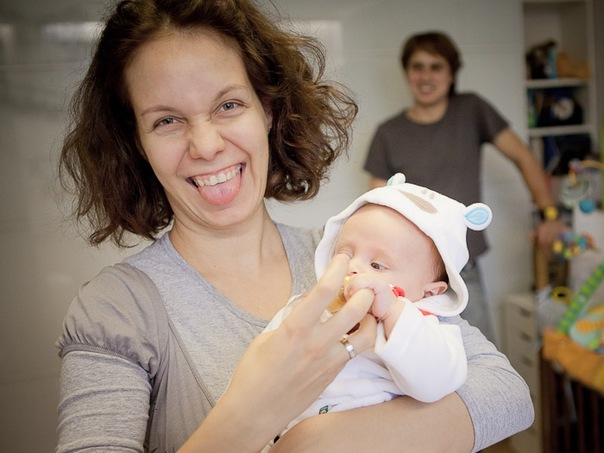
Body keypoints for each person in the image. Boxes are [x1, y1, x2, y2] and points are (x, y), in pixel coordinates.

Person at [55, 2, 533, 452]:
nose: (205, 145)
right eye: (166, 120)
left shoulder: (350, 257)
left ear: (267, 109)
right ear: (137, 142)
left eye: (228, 105)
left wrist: (312, 441)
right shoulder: (116, 309)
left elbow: (506, 395)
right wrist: (250, 413)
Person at [262, 173, 493, 450]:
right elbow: (262, 367)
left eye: (377, 266)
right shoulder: (309, 306)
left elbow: (436, 384)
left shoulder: (427, 329)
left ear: (430, 292)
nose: (352, 268)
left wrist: (394, 312)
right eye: (345, 254)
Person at [364, 31, 567, 342]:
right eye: (418, 67)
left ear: (451, 74)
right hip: (409, 274)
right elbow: (377, 208)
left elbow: (524, 157)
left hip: (463, 269)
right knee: (410, 358)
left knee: (480, 356)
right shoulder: (387, 134)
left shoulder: (471, 109)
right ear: (407, 73)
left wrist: (549, 215)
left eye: (436, 67)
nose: (426, 76)